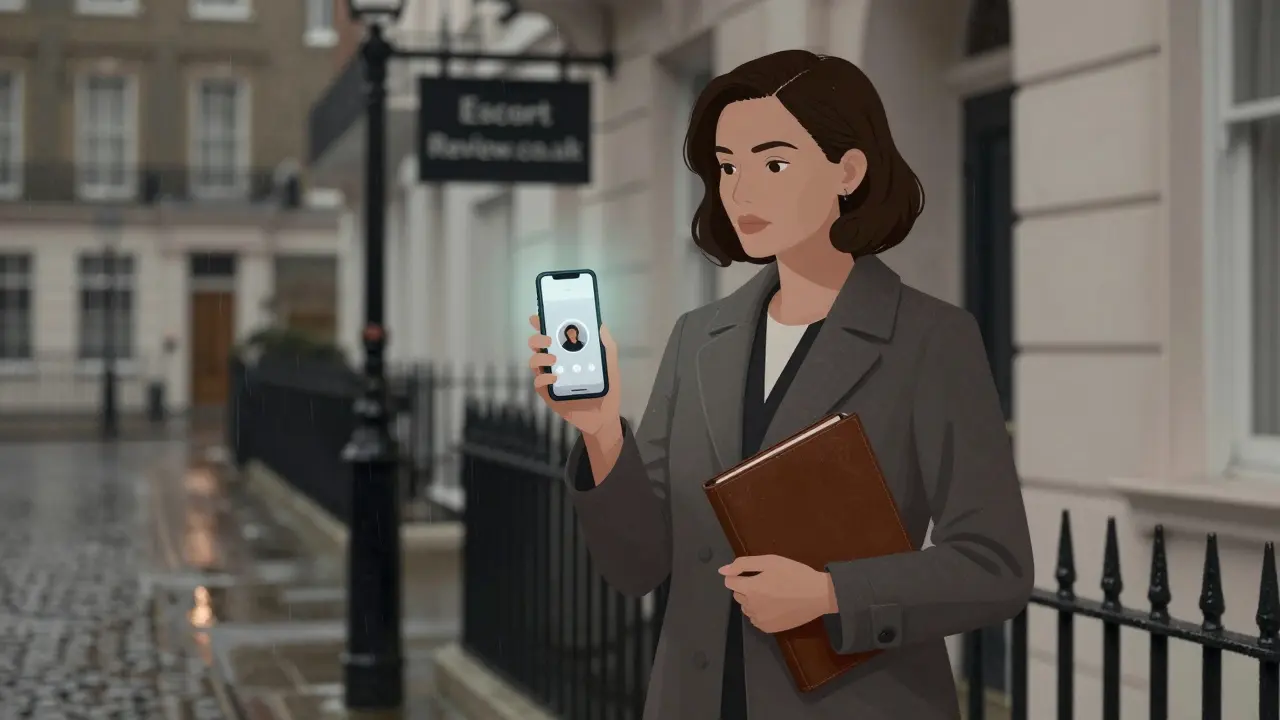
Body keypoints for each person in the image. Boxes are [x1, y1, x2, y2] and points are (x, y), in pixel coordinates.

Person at [527, 49, 1033, 720]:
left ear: (848, 171)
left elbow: (996, 566)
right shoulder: (696, 338)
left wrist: (830, 594)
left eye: (773, 164)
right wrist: (598, 431)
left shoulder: (931, 340)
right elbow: (638, 565)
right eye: (727, 167)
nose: (740, 193)